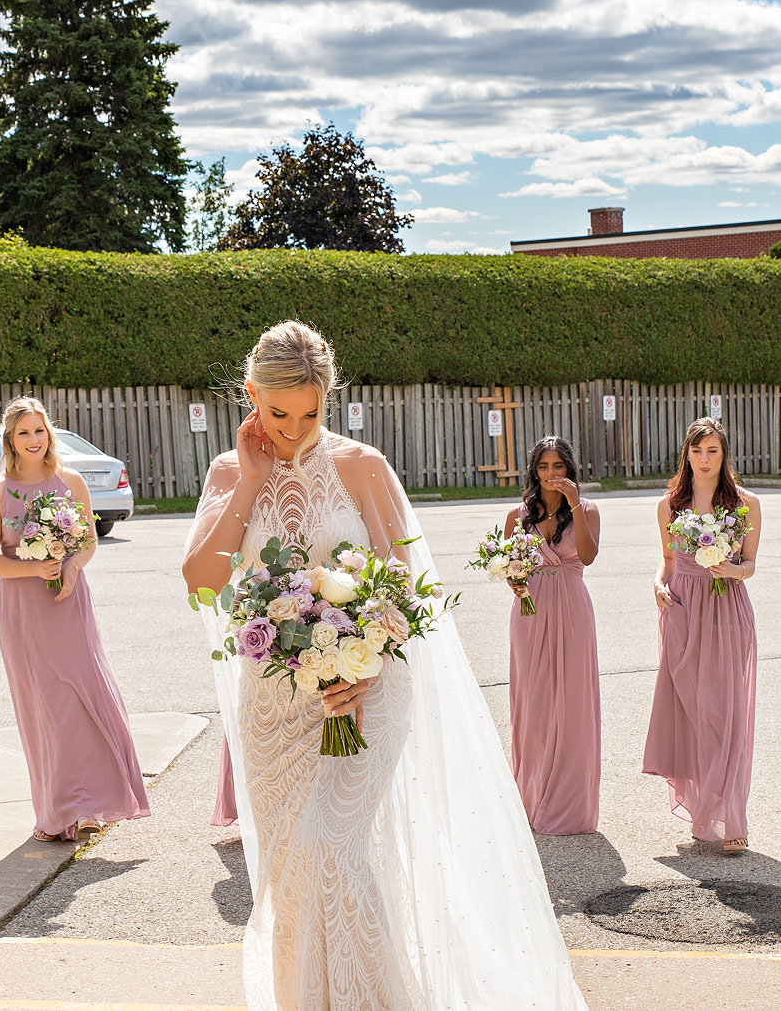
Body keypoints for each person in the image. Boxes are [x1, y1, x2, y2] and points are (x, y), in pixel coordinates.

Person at [183, 321, 588, 1011]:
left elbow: (403, 585)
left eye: (309, 412)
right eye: (277, 413)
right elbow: (200, 584)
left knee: (328, 848)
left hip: (366, 686)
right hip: (273, 702)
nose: (292, 429)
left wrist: (362, 666)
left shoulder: (362, 465)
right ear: (250, 395)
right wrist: (251, 482)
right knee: (291, 872)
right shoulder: (229, 471)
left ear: (327, 398)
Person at [0, 396, 149, 842]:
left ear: (49, 433)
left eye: (39, 431)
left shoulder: (69, 480)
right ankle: (56, 810)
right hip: (23, 612)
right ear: (11, 440)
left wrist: (72, 565)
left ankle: (91, 805)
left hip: (68, 603)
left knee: (81, 699)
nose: (33, 440)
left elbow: (87, 541)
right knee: (44, 709)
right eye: (23, 433)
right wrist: (34, 567)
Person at [643, 417, 760, 854]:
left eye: (713, 451)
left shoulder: (744, 503)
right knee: (693, 713)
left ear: (724, 454)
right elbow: (667, 561)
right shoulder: (670, 505)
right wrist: (657, 584)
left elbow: (750, 564)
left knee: (725, 713)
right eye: (697, 451)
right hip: (683, 610)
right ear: (686, 454)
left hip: (727, 608)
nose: (705, 459)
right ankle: (702, 809)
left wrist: (732, 569)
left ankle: (733, 817)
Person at [503, 436, 601, 835]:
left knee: (573, 703)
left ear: (569, 470)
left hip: (573, 608)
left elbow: (589, 555)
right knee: (534, 703)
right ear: (534, 471)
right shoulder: (517, 514)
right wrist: (514, 581)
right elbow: (507, 564)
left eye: (558, 466)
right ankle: (530, 794)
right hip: (530, 612)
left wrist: (575, 503)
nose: (550, 474)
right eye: (543, 467)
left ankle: (570, 804)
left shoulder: (588, 510)